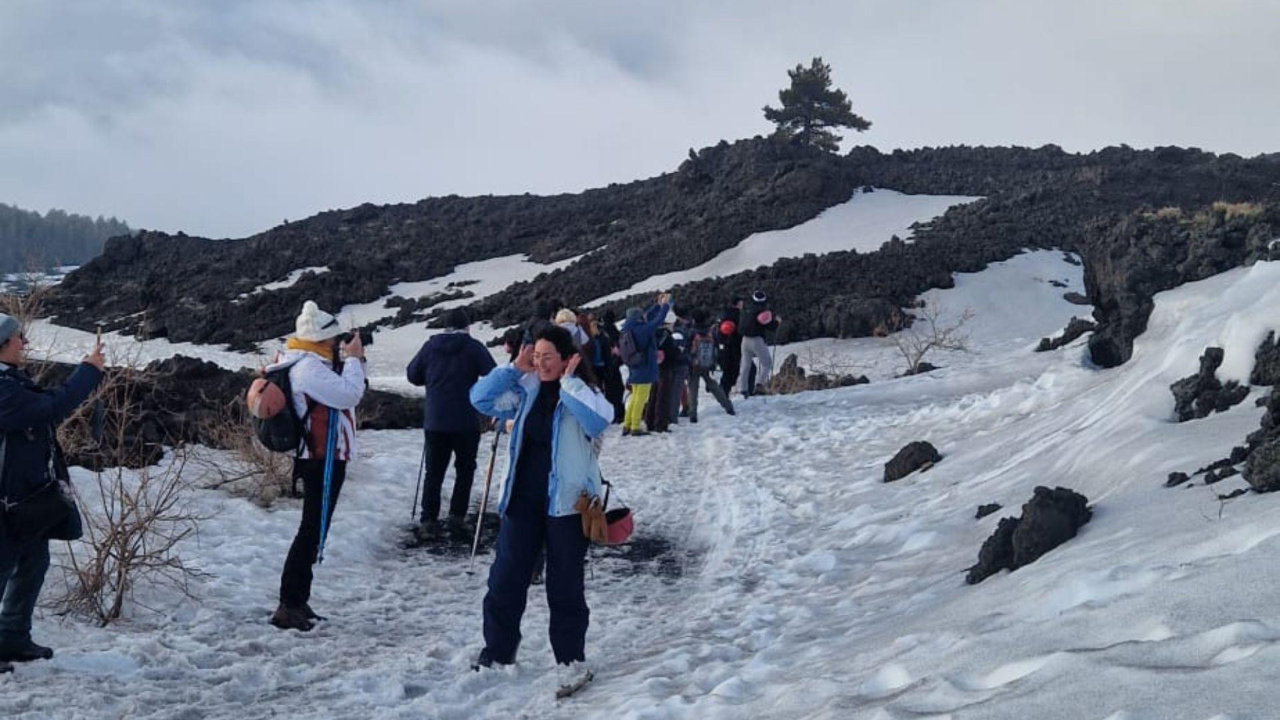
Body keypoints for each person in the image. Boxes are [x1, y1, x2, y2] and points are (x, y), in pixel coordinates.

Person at [468, 325, 612, 693]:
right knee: (505, 579)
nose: (542, 363)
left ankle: (571, 659)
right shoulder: (525, 390)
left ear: (568, 358)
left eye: (549, 356)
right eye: (537, 356)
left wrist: (569, 383)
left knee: (564, 587)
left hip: (567, 506)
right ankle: (498, 651)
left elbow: (598, 421)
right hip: (522, 501)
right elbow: (480, 400)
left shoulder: (586, 394)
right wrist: (514, 369)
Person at [0, 313, 105, 669]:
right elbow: (48, 407)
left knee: (33, 563)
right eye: (18, 338)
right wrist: (88, 371)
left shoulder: (11, 381)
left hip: (23, 497)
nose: (24, 343)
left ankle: (12, 638)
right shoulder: (3, 388)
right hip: (7, 498)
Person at [268, 301, 366, 632]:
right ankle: (289, 604)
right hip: (320, 459)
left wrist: (348, 359)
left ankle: (297, 599)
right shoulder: (308, 369)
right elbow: (349, 395)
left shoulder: (300, 361)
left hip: (316, 455)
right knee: (311, 530)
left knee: (313, 528)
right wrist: (354, 359)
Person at [406, 308, 497, 541]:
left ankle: (429, 520)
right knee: (465, 470)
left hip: (435, 419)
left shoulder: (430, 346)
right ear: (467, 326)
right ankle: (457, 517)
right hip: (466, 420)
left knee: (434, 472)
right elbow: (492, 373)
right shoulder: (473, 347)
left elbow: (412, 375)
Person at [619, 293, 671, 436]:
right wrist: (665, 306)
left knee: (635, 396)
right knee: (640, 398)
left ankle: (627, 424)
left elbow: (647, 316)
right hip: (645, 367)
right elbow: (658, 320)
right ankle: (635, 426)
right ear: (638, 317)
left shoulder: (628, 328)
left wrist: (657, 305)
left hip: (634, 367)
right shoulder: (643, 329)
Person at [687, 308, 735, 421]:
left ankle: (693, 414)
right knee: (712, 385)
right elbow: (717, 345)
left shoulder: (691, 332)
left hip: (694, 363)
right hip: (708, 363)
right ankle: (728, 407)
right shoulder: (711, 331)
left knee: (693, 388)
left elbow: (687, 347)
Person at [737, 291, 781, 398]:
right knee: (767, 363)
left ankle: (743, 390)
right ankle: (759, 385)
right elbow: (770, 327)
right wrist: (777, 322)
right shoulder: (763, 312)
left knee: (745, 365)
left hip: (744, 340)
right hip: (756, 340)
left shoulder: (746, 310)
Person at [717, 298, 744, 396]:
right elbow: (741, 330)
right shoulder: (738, 315)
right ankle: (724, 391)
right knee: (733, 369)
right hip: (735, 345)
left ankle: (723, 389)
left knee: (727, 369)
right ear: (738, 303)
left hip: (722, 345)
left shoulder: (723, 313)